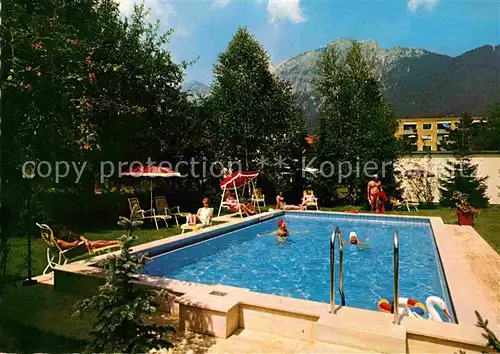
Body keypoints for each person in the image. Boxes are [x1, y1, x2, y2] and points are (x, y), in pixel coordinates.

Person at [56, 226, 120, 251]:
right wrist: (78, 242)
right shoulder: (59, 241)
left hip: (81, 245)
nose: (65, 231)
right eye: (63, 230)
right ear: (59, 232)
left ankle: (115, 242)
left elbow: (79, 236)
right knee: (94, 244)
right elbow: (71, 245)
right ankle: (115, 242)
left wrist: (85, 240)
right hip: (75, 250)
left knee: (96, 242)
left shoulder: (66, 234)